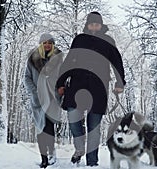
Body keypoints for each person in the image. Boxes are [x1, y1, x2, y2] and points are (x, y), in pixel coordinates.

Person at [56, 12, 126, 166]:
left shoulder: (108, 41)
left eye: (97, 24)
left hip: (98, 88)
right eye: (91, 24)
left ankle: (92, 162)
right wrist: (61, 82)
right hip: (77, 85)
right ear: (87, 25)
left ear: (101, 25)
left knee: (94, 127)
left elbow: (116, 61)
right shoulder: (79, 39)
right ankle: (79, 148)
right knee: (73, 118)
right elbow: (69, 61)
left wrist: (120, 83)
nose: (94, 26)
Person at [24, 33, 63, 168]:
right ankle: (43, 158)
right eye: (45, 42)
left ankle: (51, 154)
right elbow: (27, 78)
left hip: (52, 98)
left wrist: (61, 89)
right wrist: (35, 93)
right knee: (41, 129)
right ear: (41, 44)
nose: (47, 45)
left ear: (53, 44)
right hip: (38, 100)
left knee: (49, 127)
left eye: (50, 43)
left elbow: (63, 76)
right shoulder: (32, 59)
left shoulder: (58, 59)